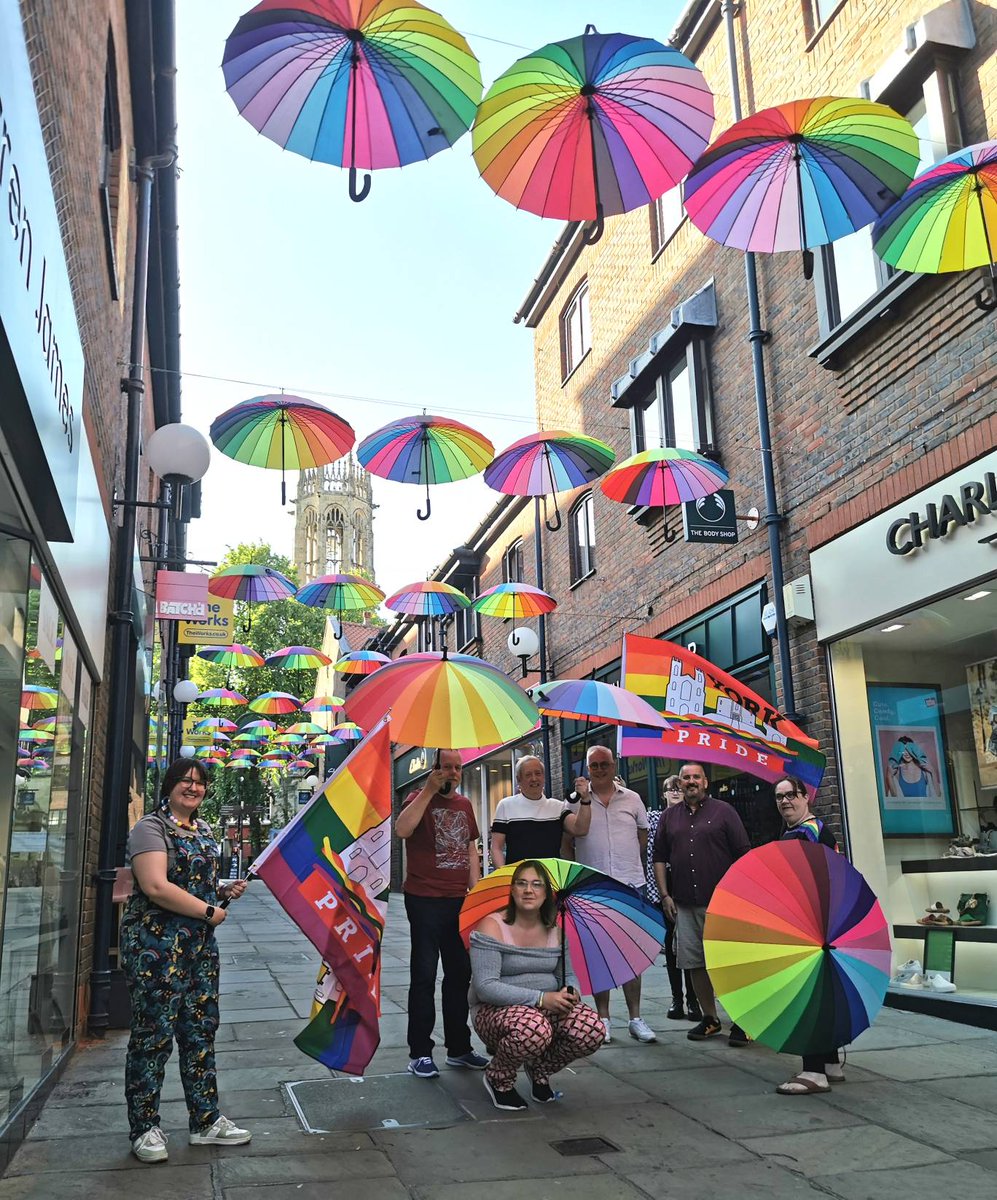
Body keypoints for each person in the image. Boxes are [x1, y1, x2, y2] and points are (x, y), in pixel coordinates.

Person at [121, 758, 251, 1164]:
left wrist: (223, 890)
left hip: (197, 949)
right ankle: (144, 1128)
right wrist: (210, 912)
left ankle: (205, 1119)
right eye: (185, 781)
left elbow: (196, 884)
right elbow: (157, 886)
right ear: (170, 785)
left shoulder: (204, 829)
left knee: (200, 1032)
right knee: (153, 1036)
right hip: (156, 949)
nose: (193, 788)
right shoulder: (150, 829)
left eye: (199, 783)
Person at [469, 859, 606, 1110]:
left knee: (592, 1029)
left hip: (546, 1006)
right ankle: (499, 1078)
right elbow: (485, 986)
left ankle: (540, 1070)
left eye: (536, 884)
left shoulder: (557, 929)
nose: (528, 890)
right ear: (512, 890)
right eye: (521, 884)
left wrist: (570, 992)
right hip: (495, 1010)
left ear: (547, 893)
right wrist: (541, 999)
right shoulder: (492, 926)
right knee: (534, 1029)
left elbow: (570, 975)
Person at [396, 749, 489, 1079]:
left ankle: (459, 1048)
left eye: (457, 768)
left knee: (459, 974)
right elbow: (402, 830)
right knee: (423, 974)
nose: (452, 772)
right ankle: (420, 1052)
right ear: (433, 769)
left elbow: (470, 848)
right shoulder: (415, 798)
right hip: (423, 900)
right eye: (446, 767)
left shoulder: (464, 805)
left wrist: (475, 891)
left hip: (457, 901)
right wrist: (429, 791)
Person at [653, 761, 750, 1046]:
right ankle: (710, 1018)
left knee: (729, 965)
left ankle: (743, 1021)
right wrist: (664, 895)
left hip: (722, 904)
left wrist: (741, 898)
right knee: (695, 963)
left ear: (705, 782)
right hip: (684, 903)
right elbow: (659, 857)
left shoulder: (724, 812)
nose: (691, 781)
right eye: (686, 777)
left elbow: (743, 854)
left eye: (696, 777)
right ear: (679, 783)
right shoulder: (669, 817)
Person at [565, 745, 656, 1043]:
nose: (601, 769)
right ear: (587, 768)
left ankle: (635, 1018)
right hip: (592, 887)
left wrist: (627, 861)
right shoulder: (576, 802)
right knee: (597, 955)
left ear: (614, 766)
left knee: (632, 954)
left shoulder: (633, 799)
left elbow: (642, 833)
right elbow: (568, 841)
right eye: (595, 765)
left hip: (630, 884)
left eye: (605, 764)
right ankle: (603, 1019)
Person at [772, 776, 846, 1096]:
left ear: (806, 797)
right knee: (820, 995)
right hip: (809, 922)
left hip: (814, 923)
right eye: (779, 797)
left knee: (808, 997)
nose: (785, 801)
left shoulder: (812, 831)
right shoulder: (793, 831)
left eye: (791, 795)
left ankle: (814, 1071)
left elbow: (823, 879)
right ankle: (829, 1061)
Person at [646, 775, 699, 1022]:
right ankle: (677, 998)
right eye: (671, 789)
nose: (676, 793)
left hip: (688, 886)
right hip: (664, 887)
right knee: (672, 947)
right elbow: (651, 855)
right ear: (664, 793)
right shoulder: (656, 818)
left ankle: (694, 1000)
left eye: (679, 789)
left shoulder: (693, 817)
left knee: (690, 946)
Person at [490, 754, 592, 867]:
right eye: (528, 775)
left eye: (538, 773)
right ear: (519, 779)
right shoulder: (506, 806)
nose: (534, 778)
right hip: (519, 881)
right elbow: (496, 848)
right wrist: (505, 877)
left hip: (550, 879)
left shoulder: (557, 807)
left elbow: (580, 829)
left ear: (543, 777)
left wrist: (585, 799)